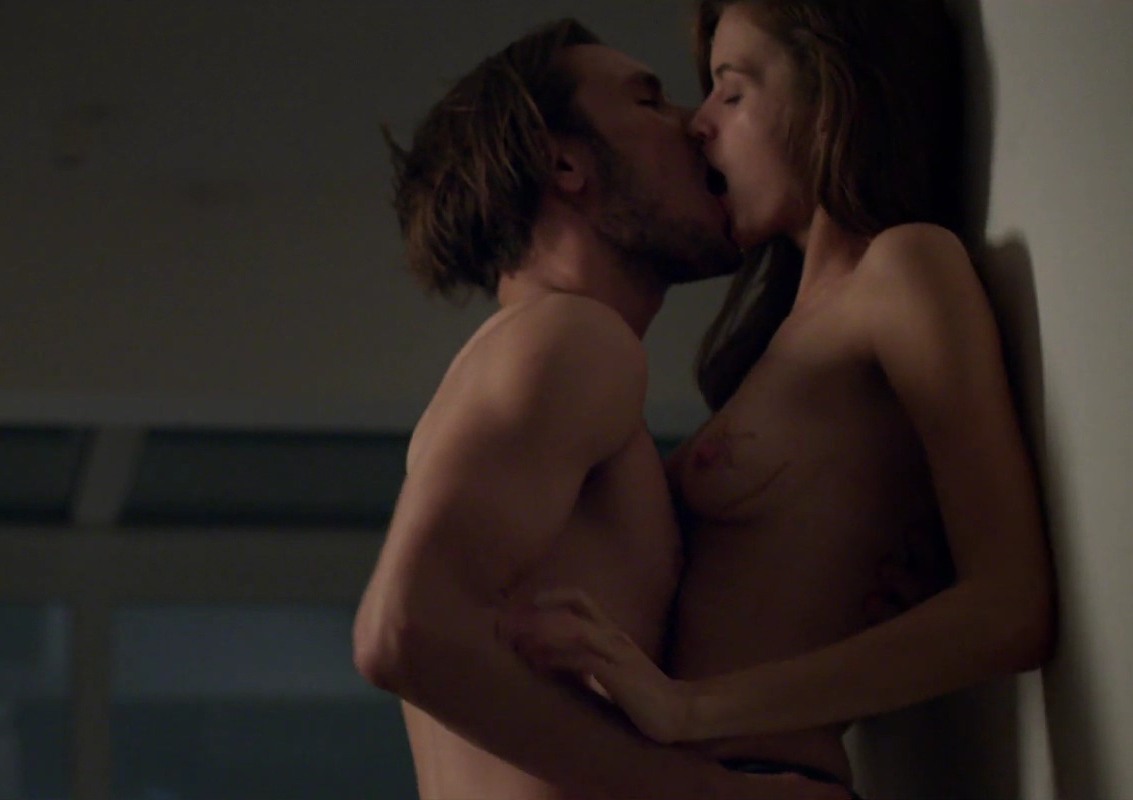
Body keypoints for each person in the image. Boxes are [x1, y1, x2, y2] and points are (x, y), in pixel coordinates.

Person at [496, 1, 1056, 796]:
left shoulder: (902, 270)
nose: (698, 124)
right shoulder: (780, 337)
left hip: (762, 774)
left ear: (831, 97)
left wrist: (686, 708)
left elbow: (1012, 606)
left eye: (732, 91)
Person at [352, 18, 848, 800]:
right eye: (649, 101)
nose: (696, 123)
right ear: (565, 162)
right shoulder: (571, 337)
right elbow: (402, 632)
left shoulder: (537, 355)